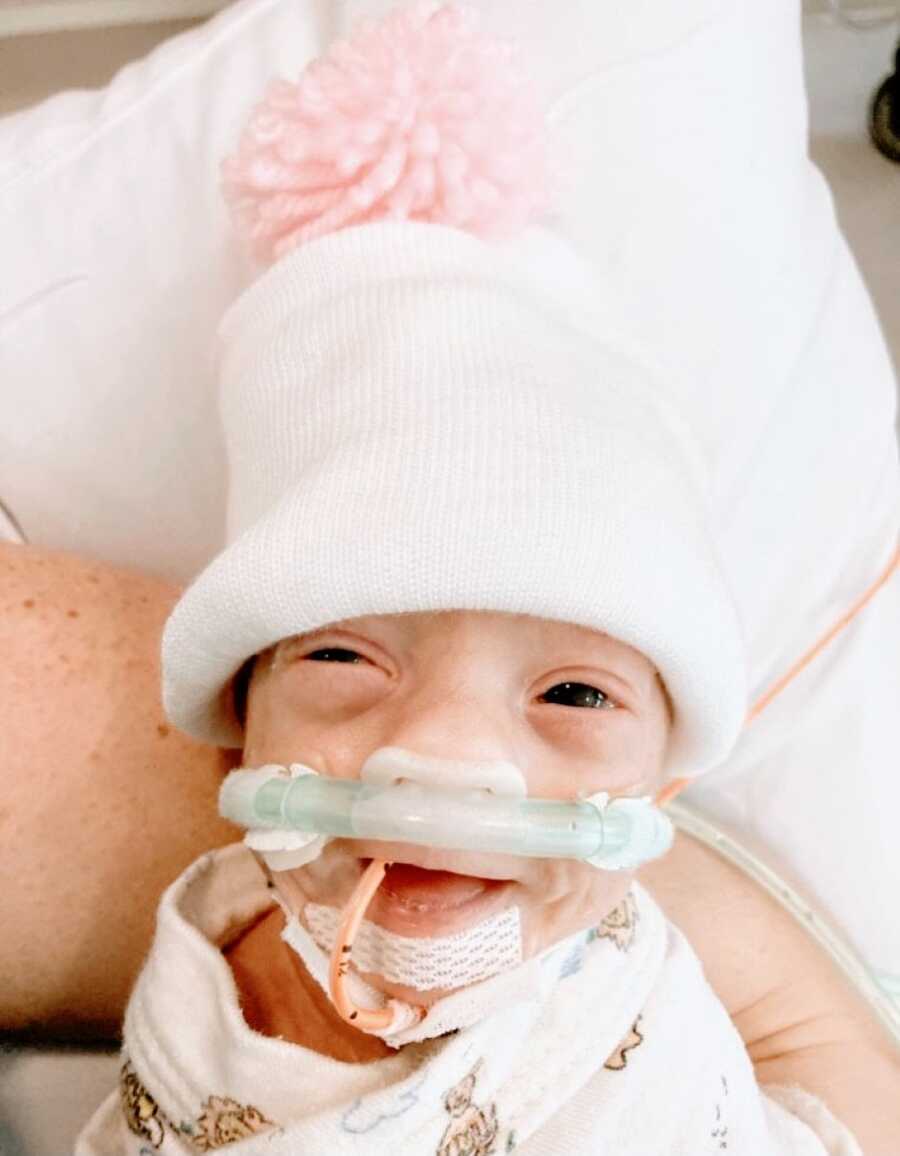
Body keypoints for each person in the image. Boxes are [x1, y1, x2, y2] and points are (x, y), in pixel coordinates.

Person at [65, 5, 897, 1150]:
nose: (447, 754)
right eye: (347, 657)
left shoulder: (657, 1001)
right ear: (233, 742)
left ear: (657, 789)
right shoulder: (200, 974)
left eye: (572, 694)